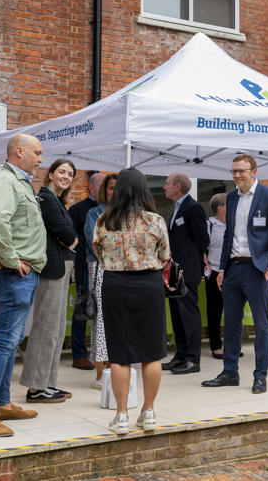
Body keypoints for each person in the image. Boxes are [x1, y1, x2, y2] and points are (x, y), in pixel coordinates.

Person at [0, 133, 46, 437]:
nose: (40, 159)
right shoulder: (5, 181)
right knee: (5, 341)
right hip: (14, 273)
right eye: (37, 153)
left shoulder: (20, 182)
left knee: (11, 340)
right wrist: (12, 260)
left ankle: (1, 404)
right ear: (19, 153)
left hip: (23, 272)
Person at [93, 167, 170, 434]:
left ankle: (122, 415)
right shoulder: (155, 220)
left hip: (116, 285)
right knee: (152, 352)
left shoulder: (104, 220)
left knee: (120, 355)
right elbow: (165, 255)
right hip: (150, 285)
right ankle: (148, 412)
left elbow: (98, 253)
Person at [201, 154, 268, 394]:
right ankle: (230, 373)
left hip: (257, 269)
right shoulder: (231, 198)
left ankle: (260, 376)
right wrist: (222, 268)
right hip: (232, 269)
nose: (237, 175)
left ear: (253, 171)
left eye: (241, 171)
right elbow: (228, 235)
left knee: (262, 326)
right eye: (234, 171)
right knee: (230, 325)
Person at [20, 159, 79, 403]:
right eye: (62, 172)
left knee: (56, 328)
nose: (66, 176)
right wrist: (73, 240)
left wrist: (70, 239)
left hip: (62, 267)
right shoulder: (45, 198)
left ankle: (48, 383)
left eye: (70, 174)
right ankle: (36, 387)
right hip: (53, 269)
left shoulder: (57, 200)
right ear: (51, 174)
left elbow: (65, 232)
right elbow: (65, 233)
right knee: (46, 327)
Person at [162, 173, 209, 375]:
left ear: (177, 187)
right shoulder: (177, 207)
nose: (164, 187)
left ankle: (192, 359)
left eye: (167, 184)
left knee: (189, 315)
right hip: (174, 271)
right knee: (177, 315)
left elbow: (203, 240)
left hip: (187, 272)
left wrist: (193, 260)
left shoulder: (193, 208)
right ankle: (181, 355)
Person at [68, 171, 104, 371]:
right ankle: (79, 354)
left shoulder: (111, 210)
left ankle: (102, 353)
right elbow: (70, 239)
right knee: (83, 309)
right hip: (84, 267)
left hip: (106, 268)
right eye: (101, 186)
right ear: (91, 187)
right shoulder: (78, 210)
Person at [84, 173, 117, 389]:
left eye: (118, 188)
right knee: (101, 323)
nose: (115, 192)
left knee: (118, 322)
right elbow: (93, 242)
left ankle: (117, 370)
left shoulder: (128, 213)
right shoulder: (94, 213)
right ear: (104, 190)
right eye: (111, 187)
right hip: (100, 269)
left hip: (122, 273)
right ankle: (100, 374)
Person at [203, 193, 227, 359]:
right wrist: (208, 268)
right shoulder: (209, 225)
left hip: (232, 272)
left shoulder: (234, 224)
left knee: (233, 311)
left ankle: (231, 345)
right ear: (220, 207)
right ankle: (216, 346)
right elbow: (202, 248)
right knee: (215, 311)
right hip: (215, 271)